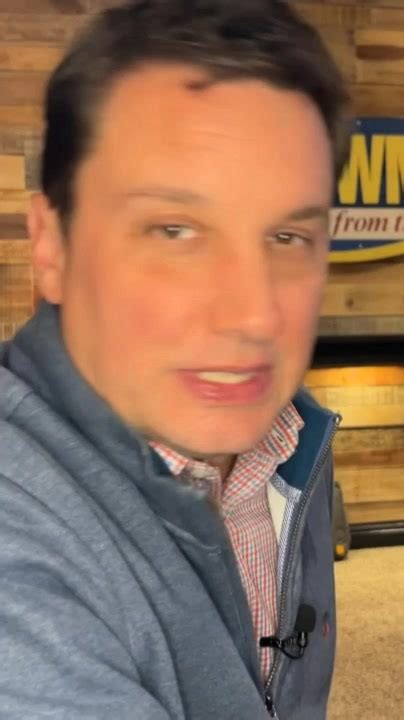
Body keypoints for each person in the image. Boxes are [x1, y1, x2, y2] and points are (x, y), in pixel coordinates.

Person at [0, 1, 349, 718]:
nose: (255, 316)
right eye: (174, 230)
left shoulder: (288, 440)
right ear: (51, 244)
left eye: (287, 237)